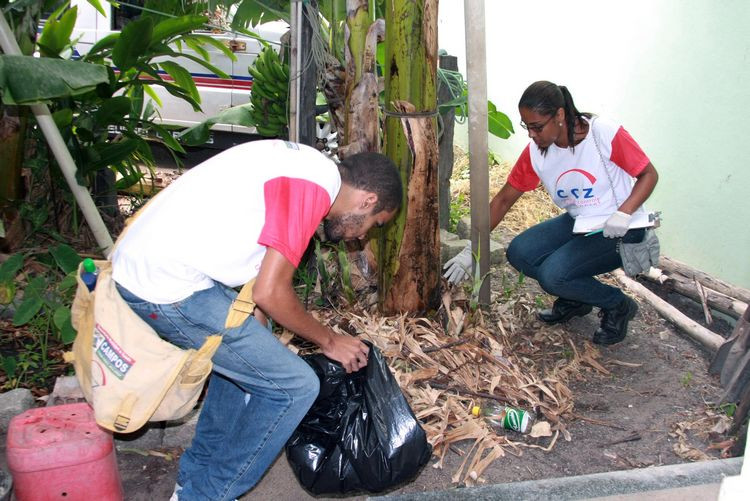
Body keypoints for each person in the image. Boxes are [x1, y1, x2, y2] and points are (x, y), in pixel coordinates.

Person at [110, 140, 402, 501]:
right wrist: (329, 340)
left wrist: (258, 325)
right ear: (368, 201)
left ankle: (193, 479)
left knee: (248, 357)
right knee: (295, 387)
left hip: (154, 266)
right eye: (375, 224)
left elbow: (258, 281)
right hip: (166, 286)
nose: (363, 235)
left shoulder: (310, 168)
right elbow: (271, 291)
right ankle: (205, 496)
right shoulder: (312, 186)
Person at [444, 81, 658, 345]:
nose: (532, 135)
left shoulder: (603, 133)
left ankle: (618, 304)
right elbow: (502, 201)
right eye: (527, 127)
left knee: (553, 275)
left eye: (537, 127)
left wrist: (624, 214)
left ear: (559, 115)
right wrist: (472, 249)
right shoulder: (536, 152)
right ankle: (576, 298)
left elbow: (649, 174)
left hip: (623, 228)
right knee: (520, 252)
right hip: (582, 222)